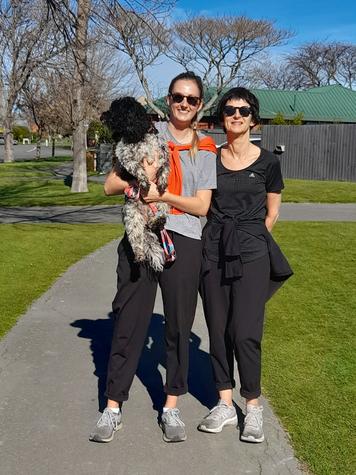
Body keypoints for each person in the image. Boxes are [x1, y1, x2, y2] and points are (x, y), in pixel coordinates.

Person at [89, 72, 217, 443]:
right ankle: (112, 408)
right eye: (178, 97)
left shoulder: (205, 147)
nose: (184, 104)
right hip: (140, 238)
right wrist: (138, 183)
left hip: (184, 242)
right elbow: (109, 185)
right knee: (128, 322)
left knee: (178, 327)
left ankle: (171, 406)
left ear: (199, 105)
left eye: (192, 100)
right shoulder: (146, 133)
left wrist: (162, 196)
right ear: (168, 98)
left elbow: (203, 206)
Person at [198, 87, 292, 443]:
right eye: (229, 110)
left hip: (252, 253)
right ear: (222, 118)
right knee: (218, 328)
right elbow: (201, 203)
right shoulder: (210, 158)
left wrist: (251, 240)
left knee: (246, 331)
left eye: (243, 110)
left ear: (253, 118)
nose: (236, 115)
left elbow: (273, 212)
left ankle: (252, 407)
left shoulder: (268, 162)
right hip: (214, 251)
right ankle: (224, 402)